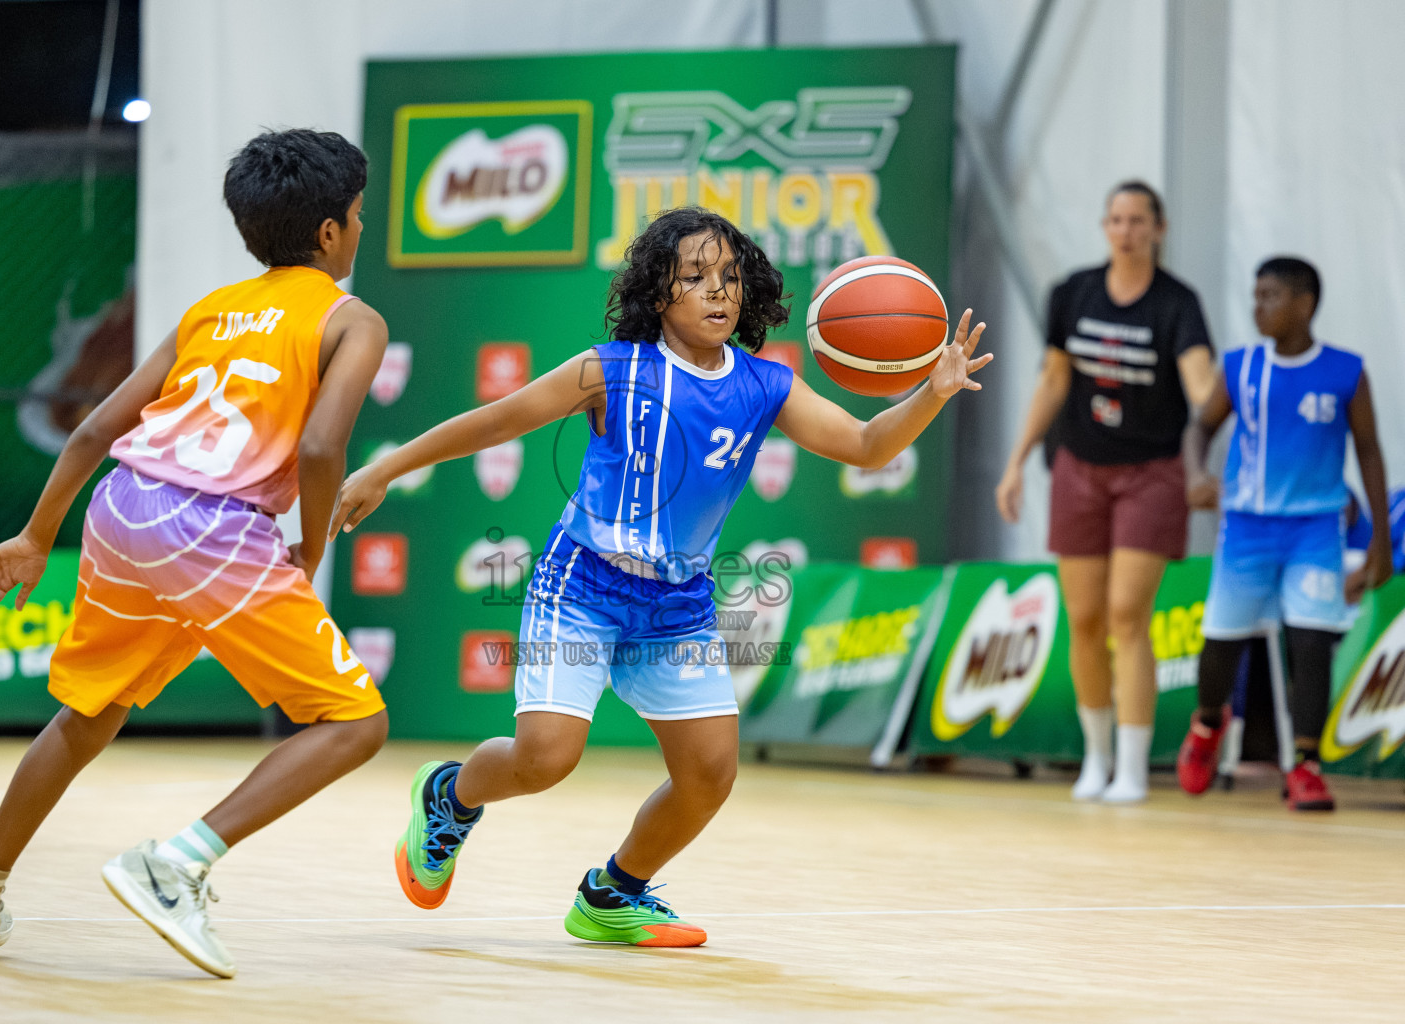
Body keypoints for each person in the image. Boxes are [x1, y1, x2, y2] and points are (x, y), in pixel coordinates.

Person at [329, 207, 991, 946]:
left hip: (676, 605)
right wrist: (386, 466)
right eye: (696, 276)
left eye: (731, 277)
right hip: (581, 585)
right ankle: (449, 798)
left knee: (710, 774)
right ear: (658, 293)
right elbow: (497, 421)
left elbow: (867, 446)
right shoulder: (611, 369)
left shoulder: (763, 384)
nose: (718, 292)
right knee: (546, 757)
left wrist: (931, 391)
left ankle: (613, 894)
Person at [0, 129, 390, 978]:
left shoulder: (208, 312)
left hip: (121, 509)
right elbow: (323, 451)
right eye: (358, 215)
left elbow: (99, 428)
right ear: (330, 233)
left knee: (87, 715)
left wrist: (37, 535)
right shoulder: (352, 320)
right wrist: (310, 551)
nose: (362, 227)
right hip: (212, 528)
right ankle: (177, 862)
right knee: (356, 723)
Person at [994, 181, 1216, 804]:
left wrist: (1219, 427)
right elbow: (1053, 381)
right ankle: (1097, 758)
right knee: (1085, 619)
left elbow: (1202, 384)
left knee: (1127, 614)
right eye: (1116, 219)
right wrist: (1014, 464)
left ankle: (1135, 767)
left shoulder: (1178, 303)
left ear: (1158, 229)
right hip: (1080, 466)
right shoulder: (1074, 293)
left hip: (1153, 470)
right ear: (1104, 226)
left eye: (1138, 220)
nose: (1125, 230)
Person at [1177, 256, 1392, 810]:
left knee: (1311, 643)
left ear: (1305, 304)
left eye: (1270, 296)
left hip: (1315, 530)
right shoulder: (1241, 366)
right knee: (1222, 644)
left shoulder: (1346, 371)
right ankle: (1206, 726)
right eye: (1255, 295)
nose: (1257, 307)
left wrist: (1380, 540)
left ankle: (1305, 765)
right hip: (1246, 527)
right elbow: (1199, 428)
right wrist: (1197, 475)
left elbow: (1369, 453)